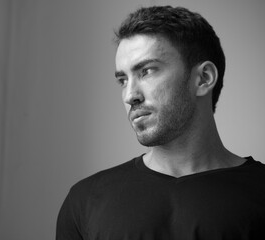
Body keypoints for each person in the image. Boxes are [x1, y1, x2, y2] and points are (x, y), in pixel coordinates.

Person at [56, 5, 265, 240]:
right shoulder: (85, 201)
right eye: (123, 80)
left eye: (146, 71)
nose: (129, 95)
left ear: (204, 79)